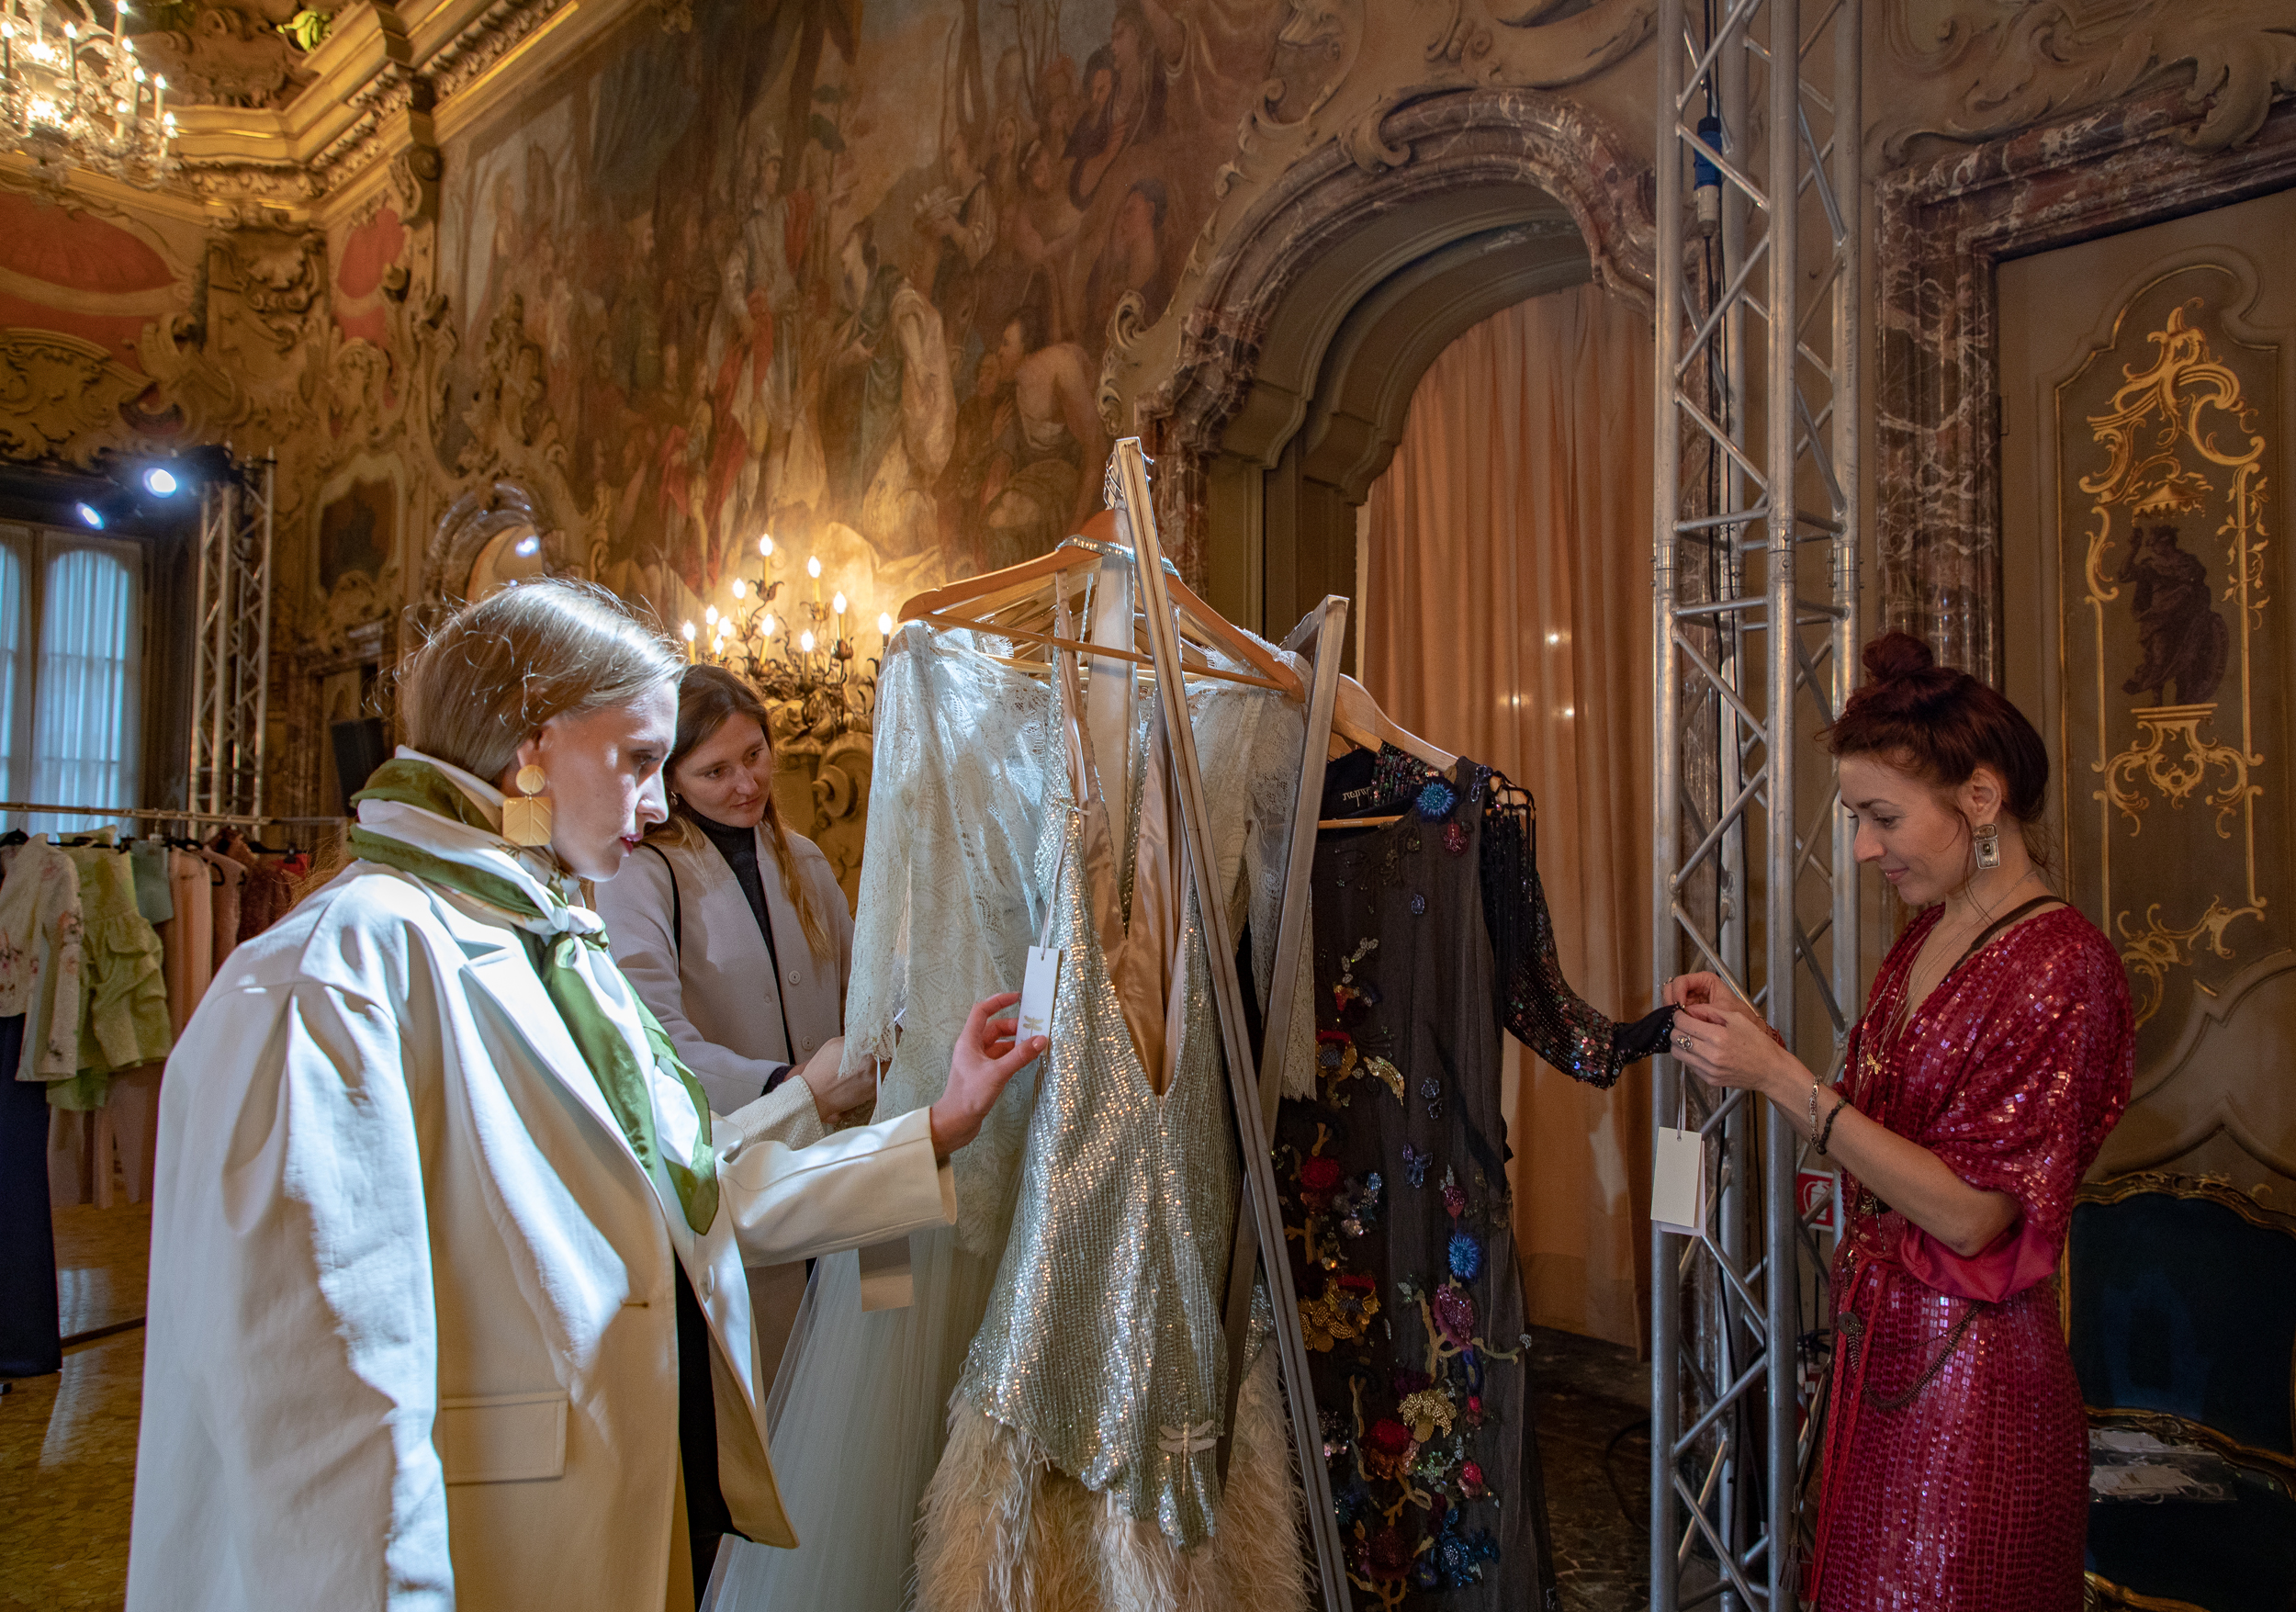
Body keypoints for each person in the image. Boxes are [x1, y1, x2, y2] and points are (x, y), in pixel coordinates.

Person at [125, 580, 1044, 1612]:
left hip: (597, 1529)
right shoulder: (334, 977)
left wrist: (937, 1125)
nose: (656, 805)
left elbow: (698, 1195)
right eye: (640, 760)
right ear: (532, 741)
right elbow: (319, 1428)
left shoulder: (548, 944)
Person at [1664, 631, 2133, 1611]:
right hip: (1879, 1365)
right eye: (1854, 819)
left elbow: (1971, 1215)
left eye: (1882, 817)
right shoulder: (1931, 932)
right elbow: (1881, 1126)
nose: (1863, 848)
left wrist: (1777, 1076)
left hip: (1974, 1400)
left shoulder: (2062, 967)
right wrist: (1756, 1039)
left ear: (1980, 798)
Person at [594, 661, 867, 1396]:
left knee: (836, 1378)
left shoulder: (803, 858)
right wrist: (785, 1084)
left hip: (830, 1159)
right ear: (672, 781)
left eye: (754, 754)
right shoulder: (640, 873)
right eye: (715, 770)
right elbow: (653, 1035)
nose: (747, 783)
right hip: (726, 1160)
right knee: (761, 1384)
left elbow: (858, 991)